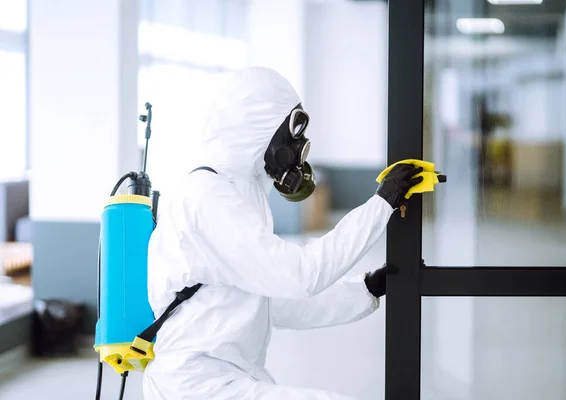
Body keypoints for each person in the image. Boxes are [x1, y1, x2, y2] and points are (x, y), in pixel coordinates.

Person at [142, 66, 423, 400]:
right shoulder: (208, 197)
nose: (298, 148)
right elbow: (299, 275)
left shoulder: (241, 192)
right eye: (290, 136)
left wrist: (365, 290)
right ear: (255, 129)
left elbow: (268, 304)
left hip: (228, 379)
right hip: (196, 385)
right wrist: (380, 206)